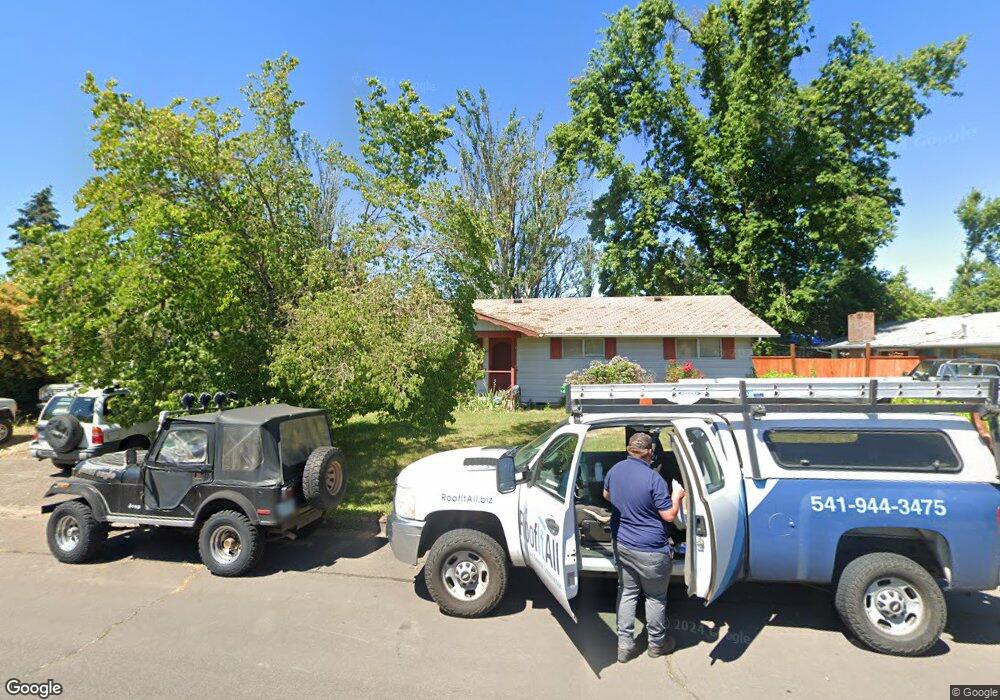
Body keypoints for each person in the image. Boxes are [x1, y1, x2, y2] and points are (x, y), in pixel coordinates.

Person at [603, 431, 685, 662]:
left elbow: (606, 495)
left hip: (623, 544)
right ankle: (657, 645)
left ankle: (624, 646)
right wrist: (677, 495)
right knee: (655, 598)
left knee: (627, 592)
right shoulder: (653, 479)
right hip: (651, 549)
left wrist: (627, 502)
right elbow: (669, 516)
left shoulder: (615, 469)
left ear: (629, 449)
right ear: (650, 452)